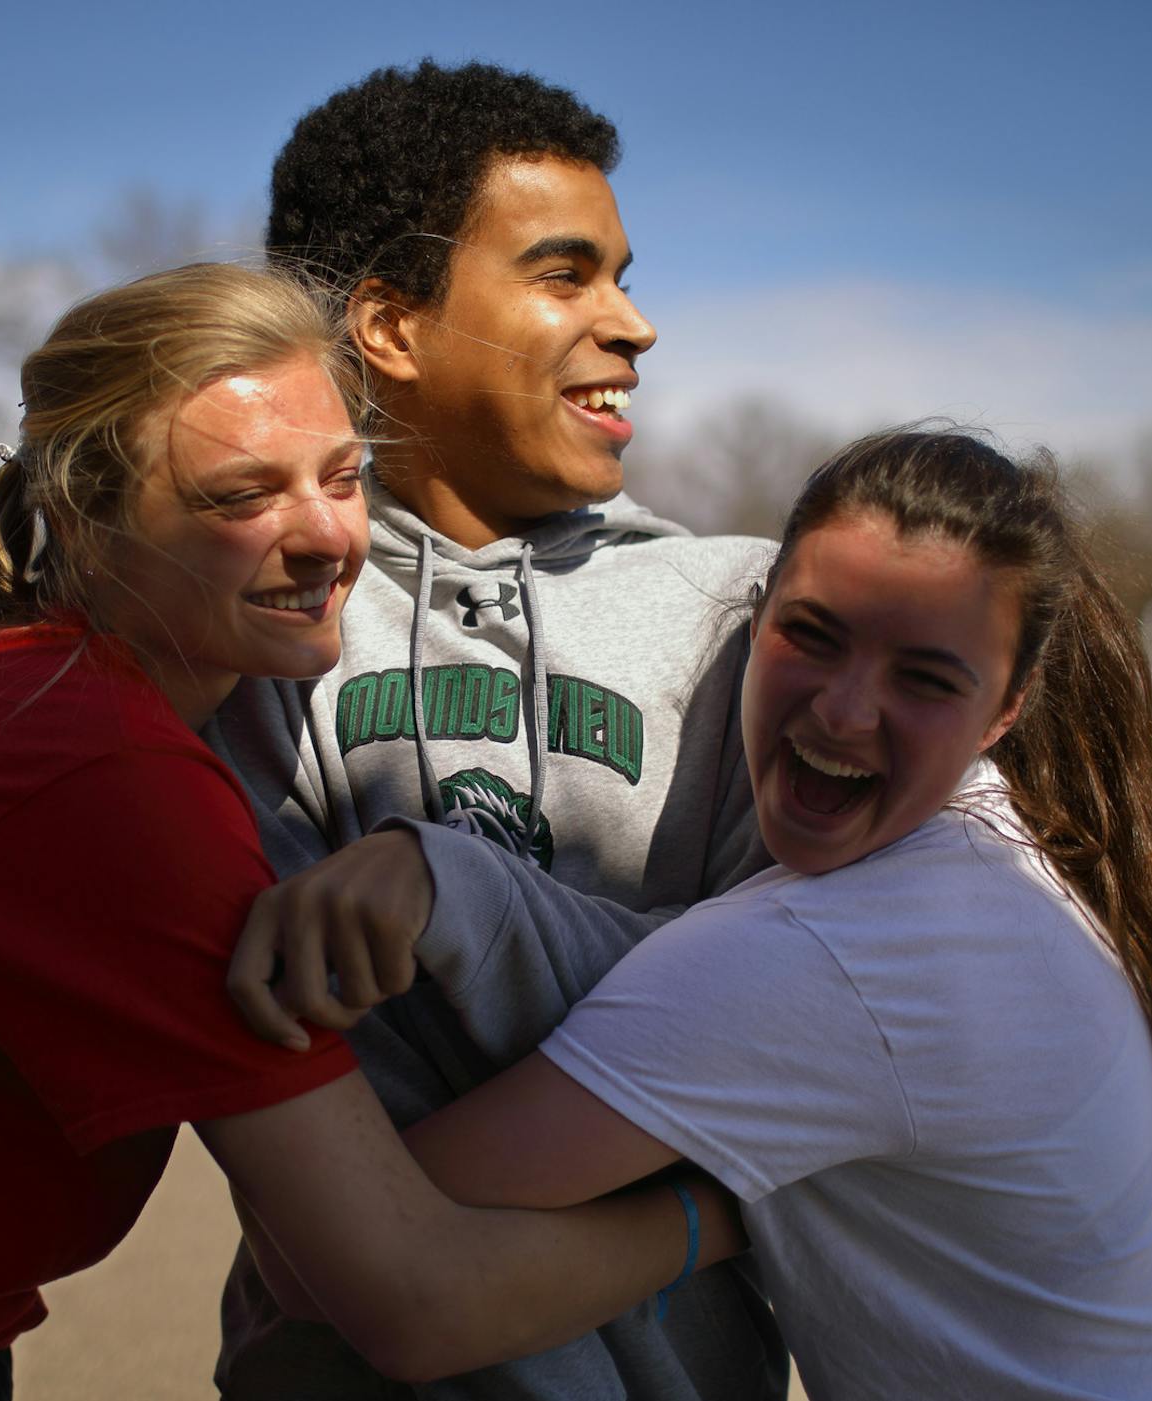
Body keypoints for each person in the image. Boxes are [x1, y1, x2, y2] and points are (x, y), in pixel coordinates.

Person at [0, 263, 744, 1401]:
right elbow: (415, 1299)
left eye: (345, 478)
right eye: (241, 497)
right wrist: (727, 1207)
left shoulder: (45, 695)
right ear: (85, 521)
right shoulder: (91, 765)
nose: (326, 537)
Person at [242, 430, 1152, 1399]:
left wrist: (716, 1211)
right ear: (751, 625)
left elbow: (352, 1267)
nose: (844, 712)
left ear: (1006, 711)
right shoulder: (998, 849)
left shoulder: (834, 955)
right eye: (812, 637)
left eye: (925, 679)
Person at [208, 60, 790, 1399]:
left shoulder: (747, 618)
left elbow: (793, 1008)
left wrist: (457, 886)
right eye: (565, 273)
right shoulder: (251, 635)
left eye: (626, 274)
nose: (633, 324)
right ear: (393, 329)